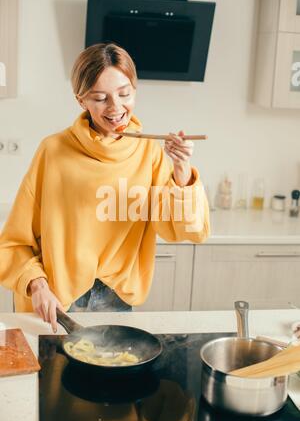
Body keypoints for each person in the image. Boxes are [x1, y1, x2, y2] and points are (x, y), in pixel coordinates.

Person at [0, 43, 210, 332]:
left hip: (118, 300)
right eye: (100, 98)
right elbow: (13, 242)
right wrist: (37, 285)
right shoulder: (54, 151)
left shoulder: (148, 153)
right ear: (81, 100)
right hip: (58, 302)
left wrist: (181, 170)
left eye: (125, 94)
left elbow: (185, 230)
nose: (116, 108)